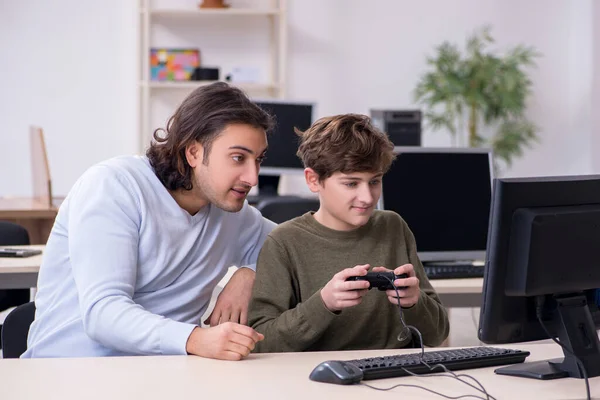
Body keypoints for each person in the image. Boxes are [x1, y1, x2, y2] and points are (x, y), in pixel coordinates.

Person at [23, 82, 276, 360]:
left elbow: (294, 246)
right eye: (237, 158)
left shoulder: (232, 212)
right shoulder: (115, 186)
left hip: (166, 374)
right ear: (193, 153)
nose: (252, 178)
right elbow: (103, 314)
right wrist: (196, 339)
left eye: (258, 160)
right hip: (71, 371)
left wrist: (250, 274)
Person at [248, 114, 449, 352]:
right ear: (313, 180)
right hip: (318, 380)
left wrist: (414, 302)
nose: (367, 197)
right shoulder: (284, 243)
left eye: (374, 181)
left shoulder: (393, 226)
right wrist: (323, 304)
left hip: (394, 377)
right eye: (351, 184)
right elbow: (262, 343)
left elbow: (438, 334)